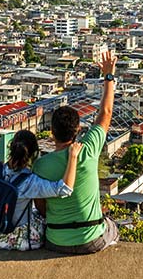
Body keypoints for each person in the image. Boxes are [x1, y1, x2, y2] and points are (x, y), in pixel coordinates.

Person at [0, 78, 83, 251]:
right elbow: (64, 189)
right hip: (22, 240)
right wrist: (73, 156)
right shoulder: (29, 182)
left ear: (11, 147)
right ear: (34, 154)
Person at [33, 50, 120, 254]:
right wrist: (109, 76)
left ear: (52, 133)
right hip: (91, 239)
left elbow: (41, 208)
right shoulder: (88, 149)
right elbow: (106, 113)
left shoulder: (40, 166)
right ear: (78, 130)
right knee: (114, 228)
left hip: (55, 239)